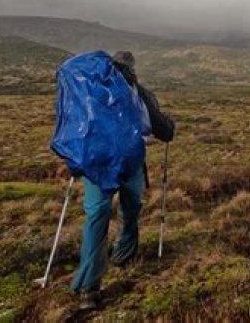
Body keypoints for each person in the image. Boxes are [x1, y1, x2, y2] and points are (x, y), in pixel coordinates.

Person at [71, 51, 175, 310]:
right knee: (130, 208)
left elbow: (77, 127)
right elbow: (163, 131)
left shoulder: (91, 92)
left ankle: (89, 288)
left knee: (97, 215)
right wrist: (170, 125)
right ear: (132, 69)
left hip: (96, 164)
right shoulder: (139, 93)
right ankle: (123, 256)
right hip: (129, 162)